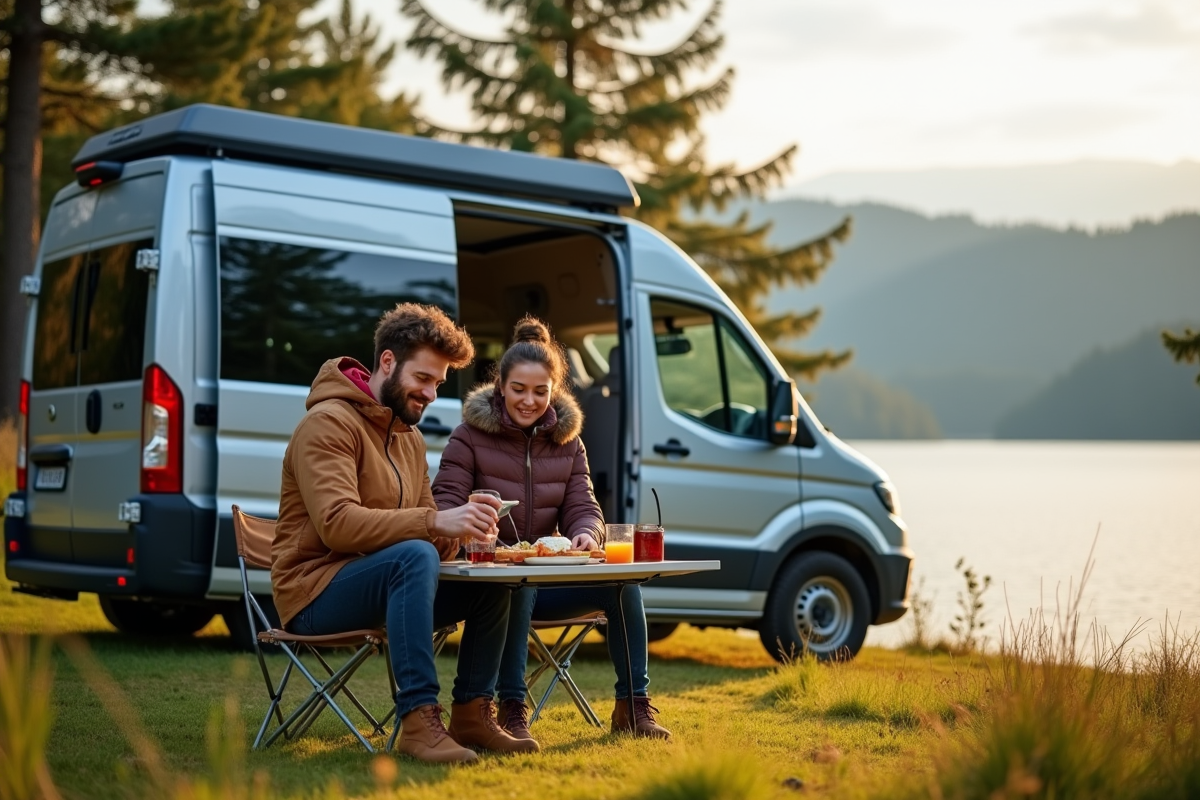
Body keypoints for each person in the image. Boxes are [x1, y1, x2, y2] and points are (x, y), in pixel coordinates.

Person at [272, 303, 538, 763]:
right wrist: (435, 522)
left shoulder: (408, 438)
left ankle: (473, 713)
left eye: (437, 382)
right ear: (388, 362)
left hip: (386, 585)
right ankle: (418, 720)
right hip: (314, 591)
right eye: (423, 379)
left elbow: (430, 528)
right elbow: (337, 525)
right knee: (413, 555)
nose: (432, 393)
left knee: (494, 576)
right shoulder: (327, 423)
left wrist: (465, 523)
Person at [432, 316, 672, 745]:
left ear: (554, 391)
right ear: (501, 387)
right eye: (519, 390)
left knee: (625, 583)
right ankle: (511, 708)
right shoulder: (468, 436)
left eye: (540, 392)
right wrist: (468, 522)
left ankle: (633, 706)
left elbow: (585, 506)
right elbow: (444, 500)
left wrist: (588, 534)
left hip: (552, 579)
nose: (529, 401)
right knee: (517, 584)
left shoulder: (568, 443)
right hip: (495, 582)